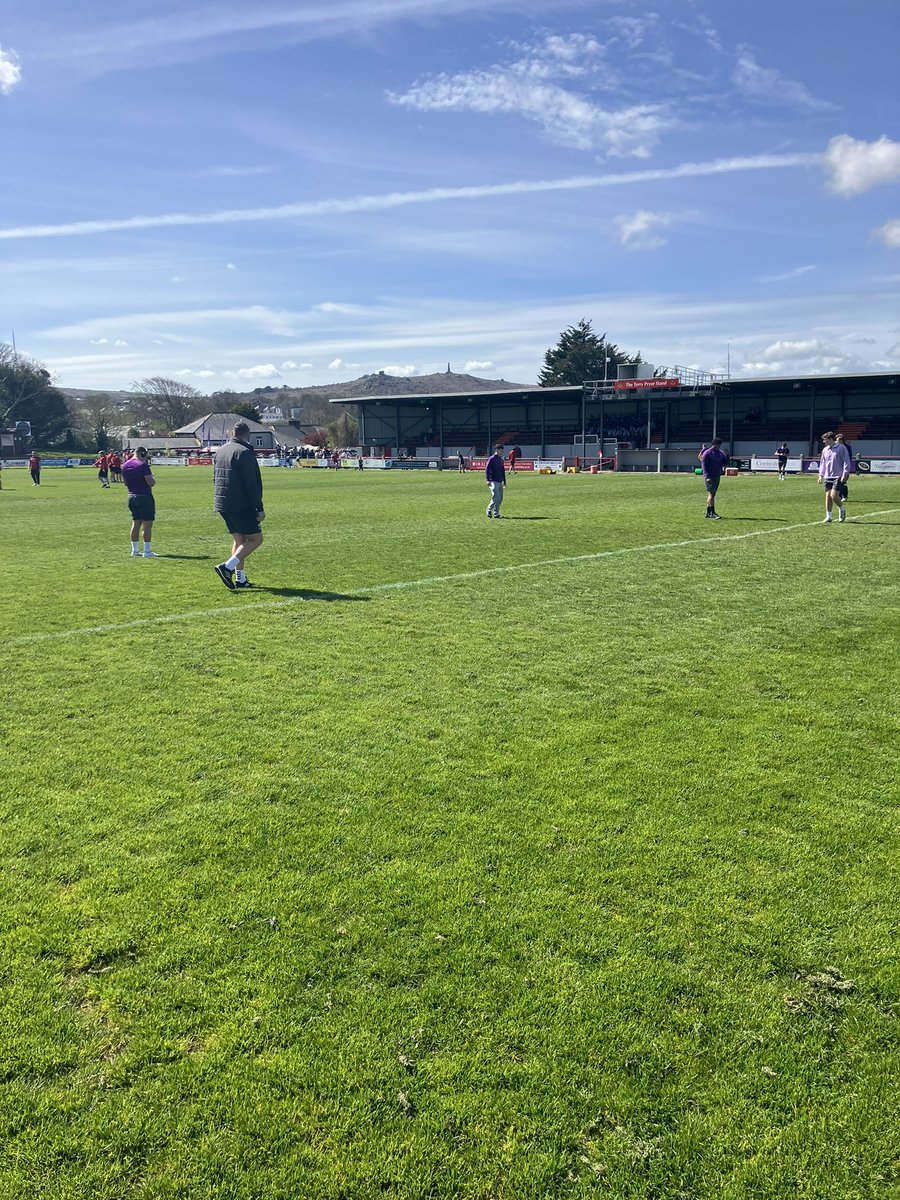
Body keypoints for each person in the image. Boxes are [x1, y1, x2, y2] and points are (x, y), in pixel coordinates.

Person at [213, 421, 265, 589]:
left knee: (239, 540)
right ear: (247, 434)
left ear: (232, 433)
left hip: (223, 502)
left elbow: (215, 478)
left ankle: (240, 579)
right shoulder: (244, 452)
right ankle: (227, 567)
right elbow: (252, 484)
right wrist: (259, 508)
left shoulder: (220, 451)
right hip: (241, 503)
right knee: (256, 539)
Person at [121, 447, 158, 556]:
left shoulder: (125, 465)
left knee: (136, 523)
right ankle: (147, 551)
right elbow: (150, 483)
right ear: (143, 453)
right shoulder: (143, 465)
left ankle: (135, 550)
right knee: (147, 524)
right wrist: (154, 478)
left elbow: (125, 483)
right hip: (144, 496)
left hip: (131, 496)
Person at [817, 432, 851, 523]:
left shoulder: (841, 448)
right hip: (828, 476)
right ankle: (829, 516)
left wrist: (845, 473)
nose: (824, 441)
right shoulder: (825, 450)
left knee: (833, 495)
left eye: (825, 439)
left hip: (838, 476)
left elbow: (846, 461)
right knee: (828, 496)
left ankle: (842, 508)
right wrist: (821, 475)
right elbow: (822, 463)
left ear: (831, 439)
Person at [700, 438, 729, 519]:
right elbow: (704, 465)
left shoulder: (721, 453)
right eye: (718, 445)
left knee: (712, 494)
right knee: (712, 494)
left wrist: (727, 455)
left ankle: (708, 512)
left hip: (717, 475)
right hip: (710, 476)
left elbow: (725, 463)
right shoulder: (707, 453)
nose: (719, 446)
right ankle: (712, 513)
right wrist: (707, 476)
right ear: (715, 444)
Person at [485, 447, 506, 518]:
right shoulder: (491, 459)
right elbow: (487, 469)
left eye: (502, 450)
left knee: (500, 499)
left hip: (500, 481)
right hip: (493, 481)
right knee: (496, 496)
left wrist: (504, 481)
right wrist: (488, 480)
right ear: (496, 450)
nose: (502, 452)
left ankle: (496, 513)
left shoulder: (501, 460)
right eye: (501, 450)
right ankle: (489, 508)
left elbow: (503, 471)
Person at [833, 434, 852, 507]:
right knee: (837, 482)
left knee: (843, 482)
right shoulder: (836, 447)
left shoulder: (847, 447)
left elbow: (848, 458)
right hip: (838, 467)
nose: (836, 442)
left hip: (844, 467)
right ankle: (839, 496)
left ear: (841, 440)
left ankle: (845, 496)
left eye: (838, 440)